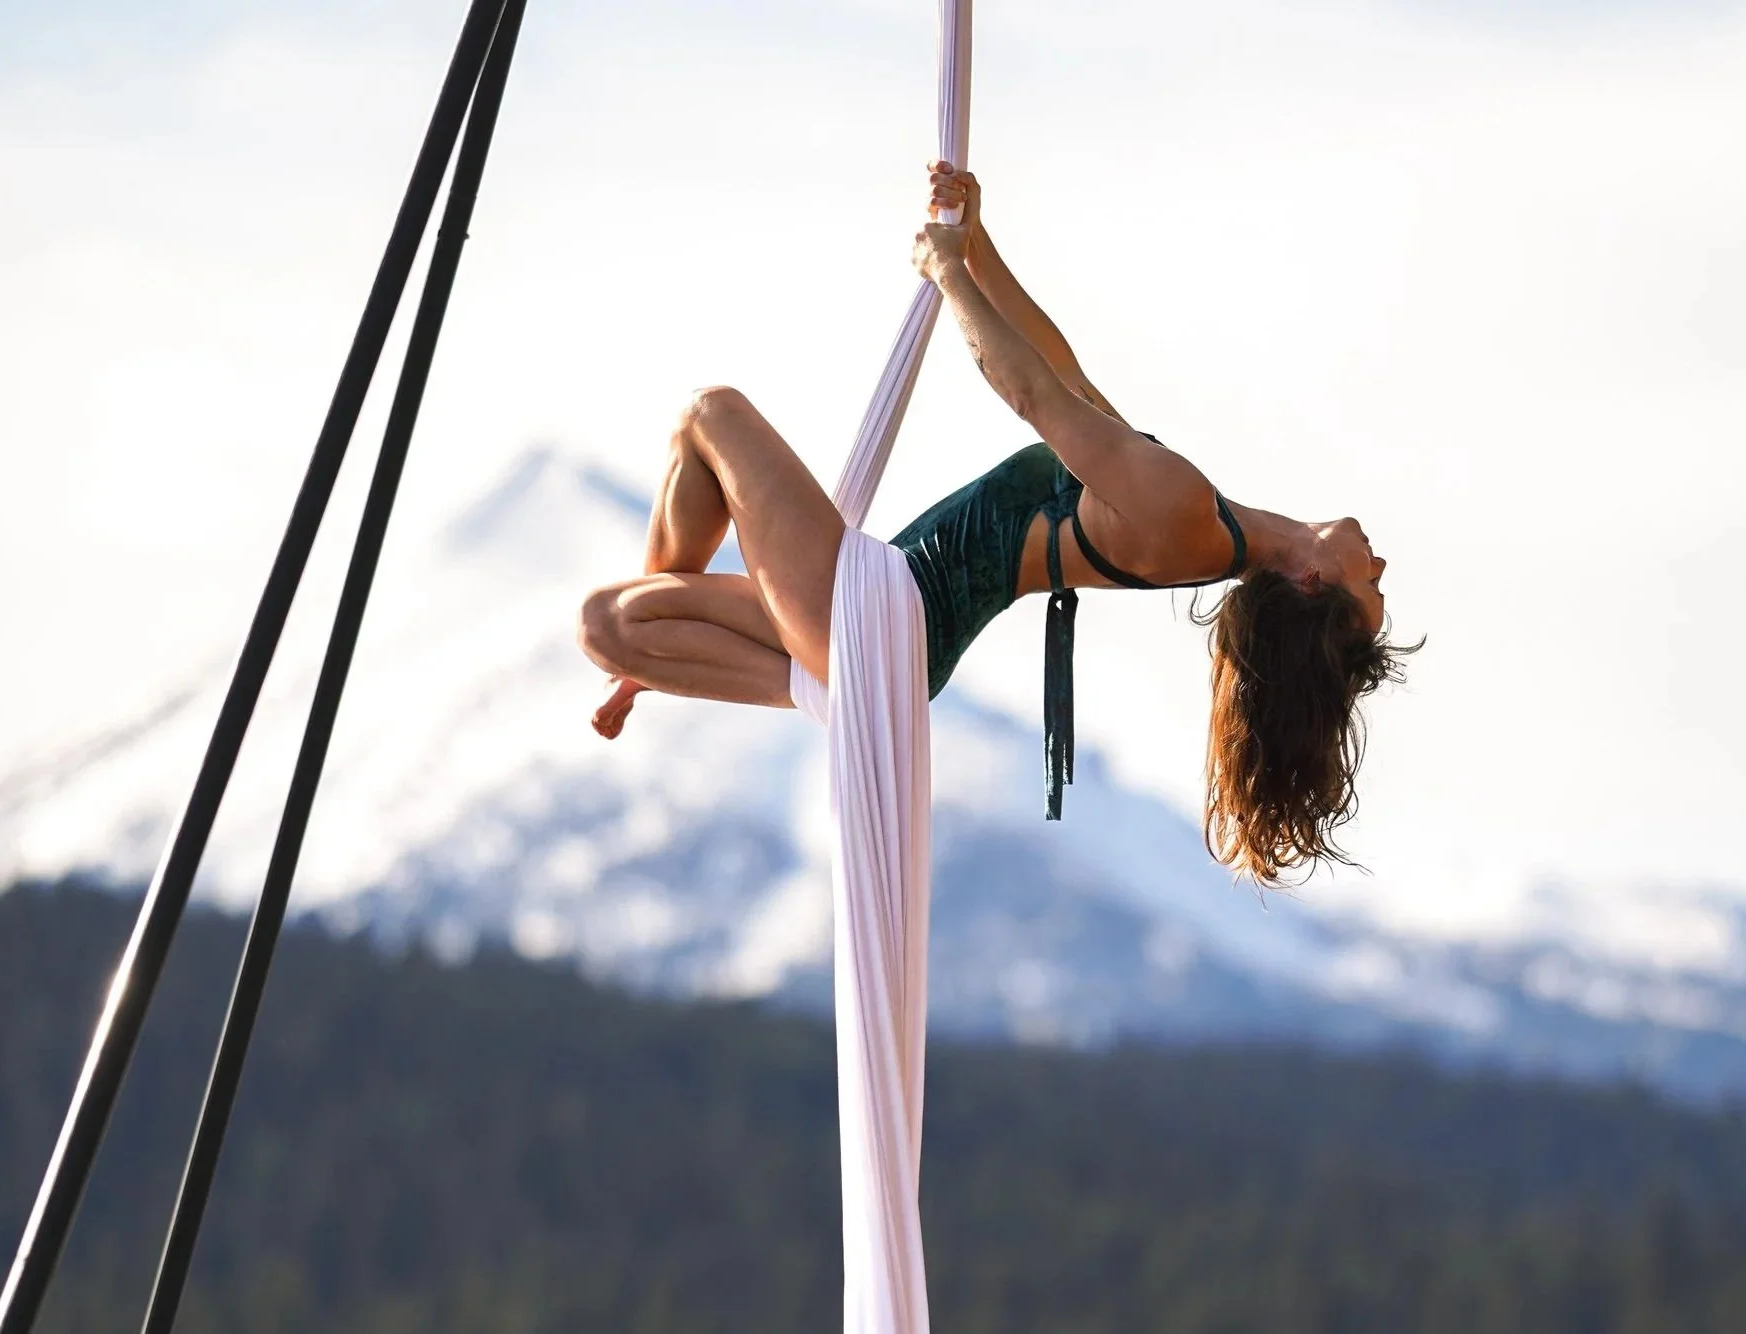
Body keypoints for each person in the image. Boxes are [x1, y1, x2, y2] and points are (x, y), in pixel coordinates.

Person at [578, 163, 1416, 883]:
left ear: (1310, 581)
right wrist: (977, 246)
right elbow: (1065, 374)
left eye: (1371, 586)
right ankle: (729, 673)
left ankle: (814, 690)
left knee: (710, 413)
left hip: (880, 615)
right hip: (886, 631)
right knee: (616, 626)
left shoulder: (1184, 517)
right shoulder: (1200, 521)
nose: (1380, 564)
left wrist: (947, 277)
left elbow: (1032, 395)